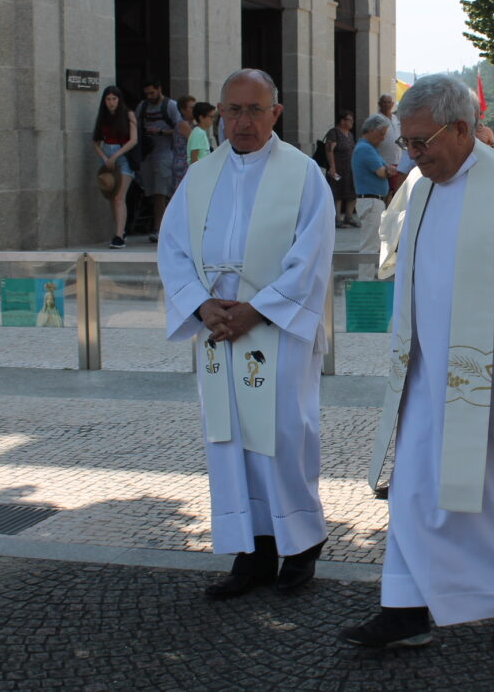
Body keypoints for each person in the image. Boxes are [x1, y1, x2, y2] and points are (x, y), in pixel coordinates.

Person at [345, 74, 494, 650]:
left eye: (423, 142)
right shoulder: (421, 188)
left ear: (463, 129)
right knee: (415, 490)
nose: (413, 155)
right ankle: (405, 605)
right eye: (407, 143)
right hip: (426, 378)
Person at [156, 67, 335, 601]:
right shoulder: (200, 176)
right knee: (229, 437)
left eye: (255, 110)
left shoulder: (302, 174)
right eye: (233, 110)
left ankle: (300, 545)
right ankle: (252, 552)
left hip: (276, 330)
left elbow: (312, 255)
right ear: (219, 115)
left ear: (275, 112)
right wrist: (202, 304)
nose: (243, 121)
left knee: (283, 436)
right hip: (218, 329)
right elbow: (173, 248)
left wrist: (259, 310)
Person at [136, 78, 190, 242]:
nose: (150, 96)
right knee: (153, 193)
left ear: (159, 89)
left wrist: (160, 132)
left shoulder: (170, 106)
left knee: (161, 193)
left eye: (152, 93)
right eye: (147, 94)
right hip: (148, 155)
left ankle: (159, 228)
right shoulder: (143, 106)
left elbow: (180, 129)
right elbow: (136, 127)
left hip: (166, 154)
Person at [91, 85, 139, 249]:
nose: (111, 102)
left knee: (119, 196)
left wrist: (116, 155)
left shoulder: (128, 114)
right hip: (107, 156)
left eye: (114, 99)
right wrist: (105, 157)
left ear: (119, 100)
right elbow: (95, 142)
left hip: (123, 155)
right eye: (108, 99)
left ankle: (118, 236)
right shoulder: (103, 117)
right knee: (112, 196)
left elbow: (133, 140)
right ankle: (120, 230)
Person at [351, 113, 396, 253]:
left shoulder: (368, 148)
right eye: (381, 134)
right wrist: (389, 170)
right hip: (371, 201)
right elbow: (381, 172)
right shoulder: (365, 149)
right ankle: (366, 269)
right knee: (370, 245)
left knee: (373, 243)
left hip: (373, 201)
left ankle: (368, 268)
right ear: (372, 130)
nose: (382, 138)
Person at [324, 110, 358, 228]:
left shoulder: (350, 135)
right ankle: (336, 219)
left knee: (352, 193)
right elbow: (329, 150)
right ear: (342, 121)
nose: (352, 122)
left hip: (350, 169)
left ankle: (349, 217)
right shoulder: (334, 133)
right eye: (350, 120)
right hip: (338, 168)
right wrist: (332, 166)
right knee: (337, 193)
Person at [376, 94, 405, 200]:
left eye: (389, 102)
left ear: (392, 104)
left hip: (397, 160)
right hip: (383, 160)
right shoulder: (376, 119)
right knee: (385, 191)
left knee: (395, 191)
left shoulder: (396, 118)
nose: (387, 104)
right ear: (380, 104)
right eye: (384, 102)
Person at [173, 94, 197, 190]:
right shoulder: (183, 124)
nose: (195, 110)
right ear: (183, 110)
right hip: (183, 163)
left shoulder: (192, 124)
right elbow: (195, 142)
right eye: (192, 108)